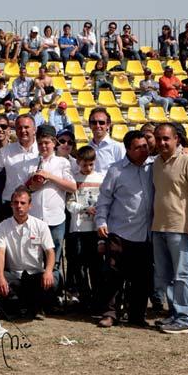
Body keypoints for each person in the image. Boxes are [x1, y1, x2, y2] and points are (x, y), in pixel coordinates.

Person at [94, 131, 154, 327]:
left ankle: (137, 315)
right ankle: (110, 313)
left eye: (145, 146)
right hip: (119, 232)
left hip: (145, 233)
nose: (143, 150)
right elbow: (104, 200)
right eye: (138, 147)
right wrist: (101, 222)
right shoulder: (115, 170)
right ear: (128, 149)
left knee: (142, 278)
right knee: (113, 275)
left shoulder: (154, 167)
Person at [151, 123, 188, 334]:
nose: (162, 143)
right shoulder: (156, 162)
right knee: (166, 275)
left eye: (166, 138)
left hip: (180, 227)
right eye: (159, 139)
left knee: (182, 273)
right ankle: (174, 313)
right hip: (159, 226)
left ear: (177, 139)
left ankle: (184, 318)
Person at [0, 186, 57, 320]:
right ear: (11, 204)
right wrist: (0, 276)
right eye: (16, 203)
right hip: (14, 274)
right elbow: (0, 252)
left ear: (30, 205)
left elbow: (50, 252)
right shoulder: (2, 227)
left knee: (55, 278)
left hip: (35, 275)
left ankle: (37, 306)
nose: (19, 206)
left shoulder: (41, 226)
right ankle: (17, 305)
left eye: (23, 203)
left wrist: (48, 271)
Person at [27, 125, 77, 267]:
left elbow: (72, 187)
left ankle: (54, 287)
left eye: (47, 143)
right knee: (34, 260)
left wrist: (50, 177)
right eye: (40, 143)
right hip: (34, 218)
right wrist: (31, 187)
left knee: (54, 261)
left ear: (54, 143)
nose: (43, 146)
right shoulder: (31, 163)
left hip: (55, 219)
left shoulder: (63, 162)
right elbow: (23, 189)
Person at [65, 146, 104, 308]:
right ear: (78, 163)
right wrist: (83, 209)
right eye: (84, 165)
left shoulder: (101, 178)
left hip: (95, 230)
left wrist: (99, 211)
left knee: (95, 265)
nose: (87, 169)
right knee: (78, 265)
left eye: (91, 165)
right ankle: (83, 296)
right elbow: (69, 204)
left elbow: (105, 201)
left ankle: (96, 297)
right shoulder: (73, 180)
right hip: (78, 229)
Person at [87, 108, 125, 175]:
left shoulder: (118, 147)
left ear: (108, 125)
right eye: (94, 122)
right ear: (90, 125)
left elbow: (123, 172)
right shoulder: (87, 148)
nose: (98, 125)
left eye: (101, 122)